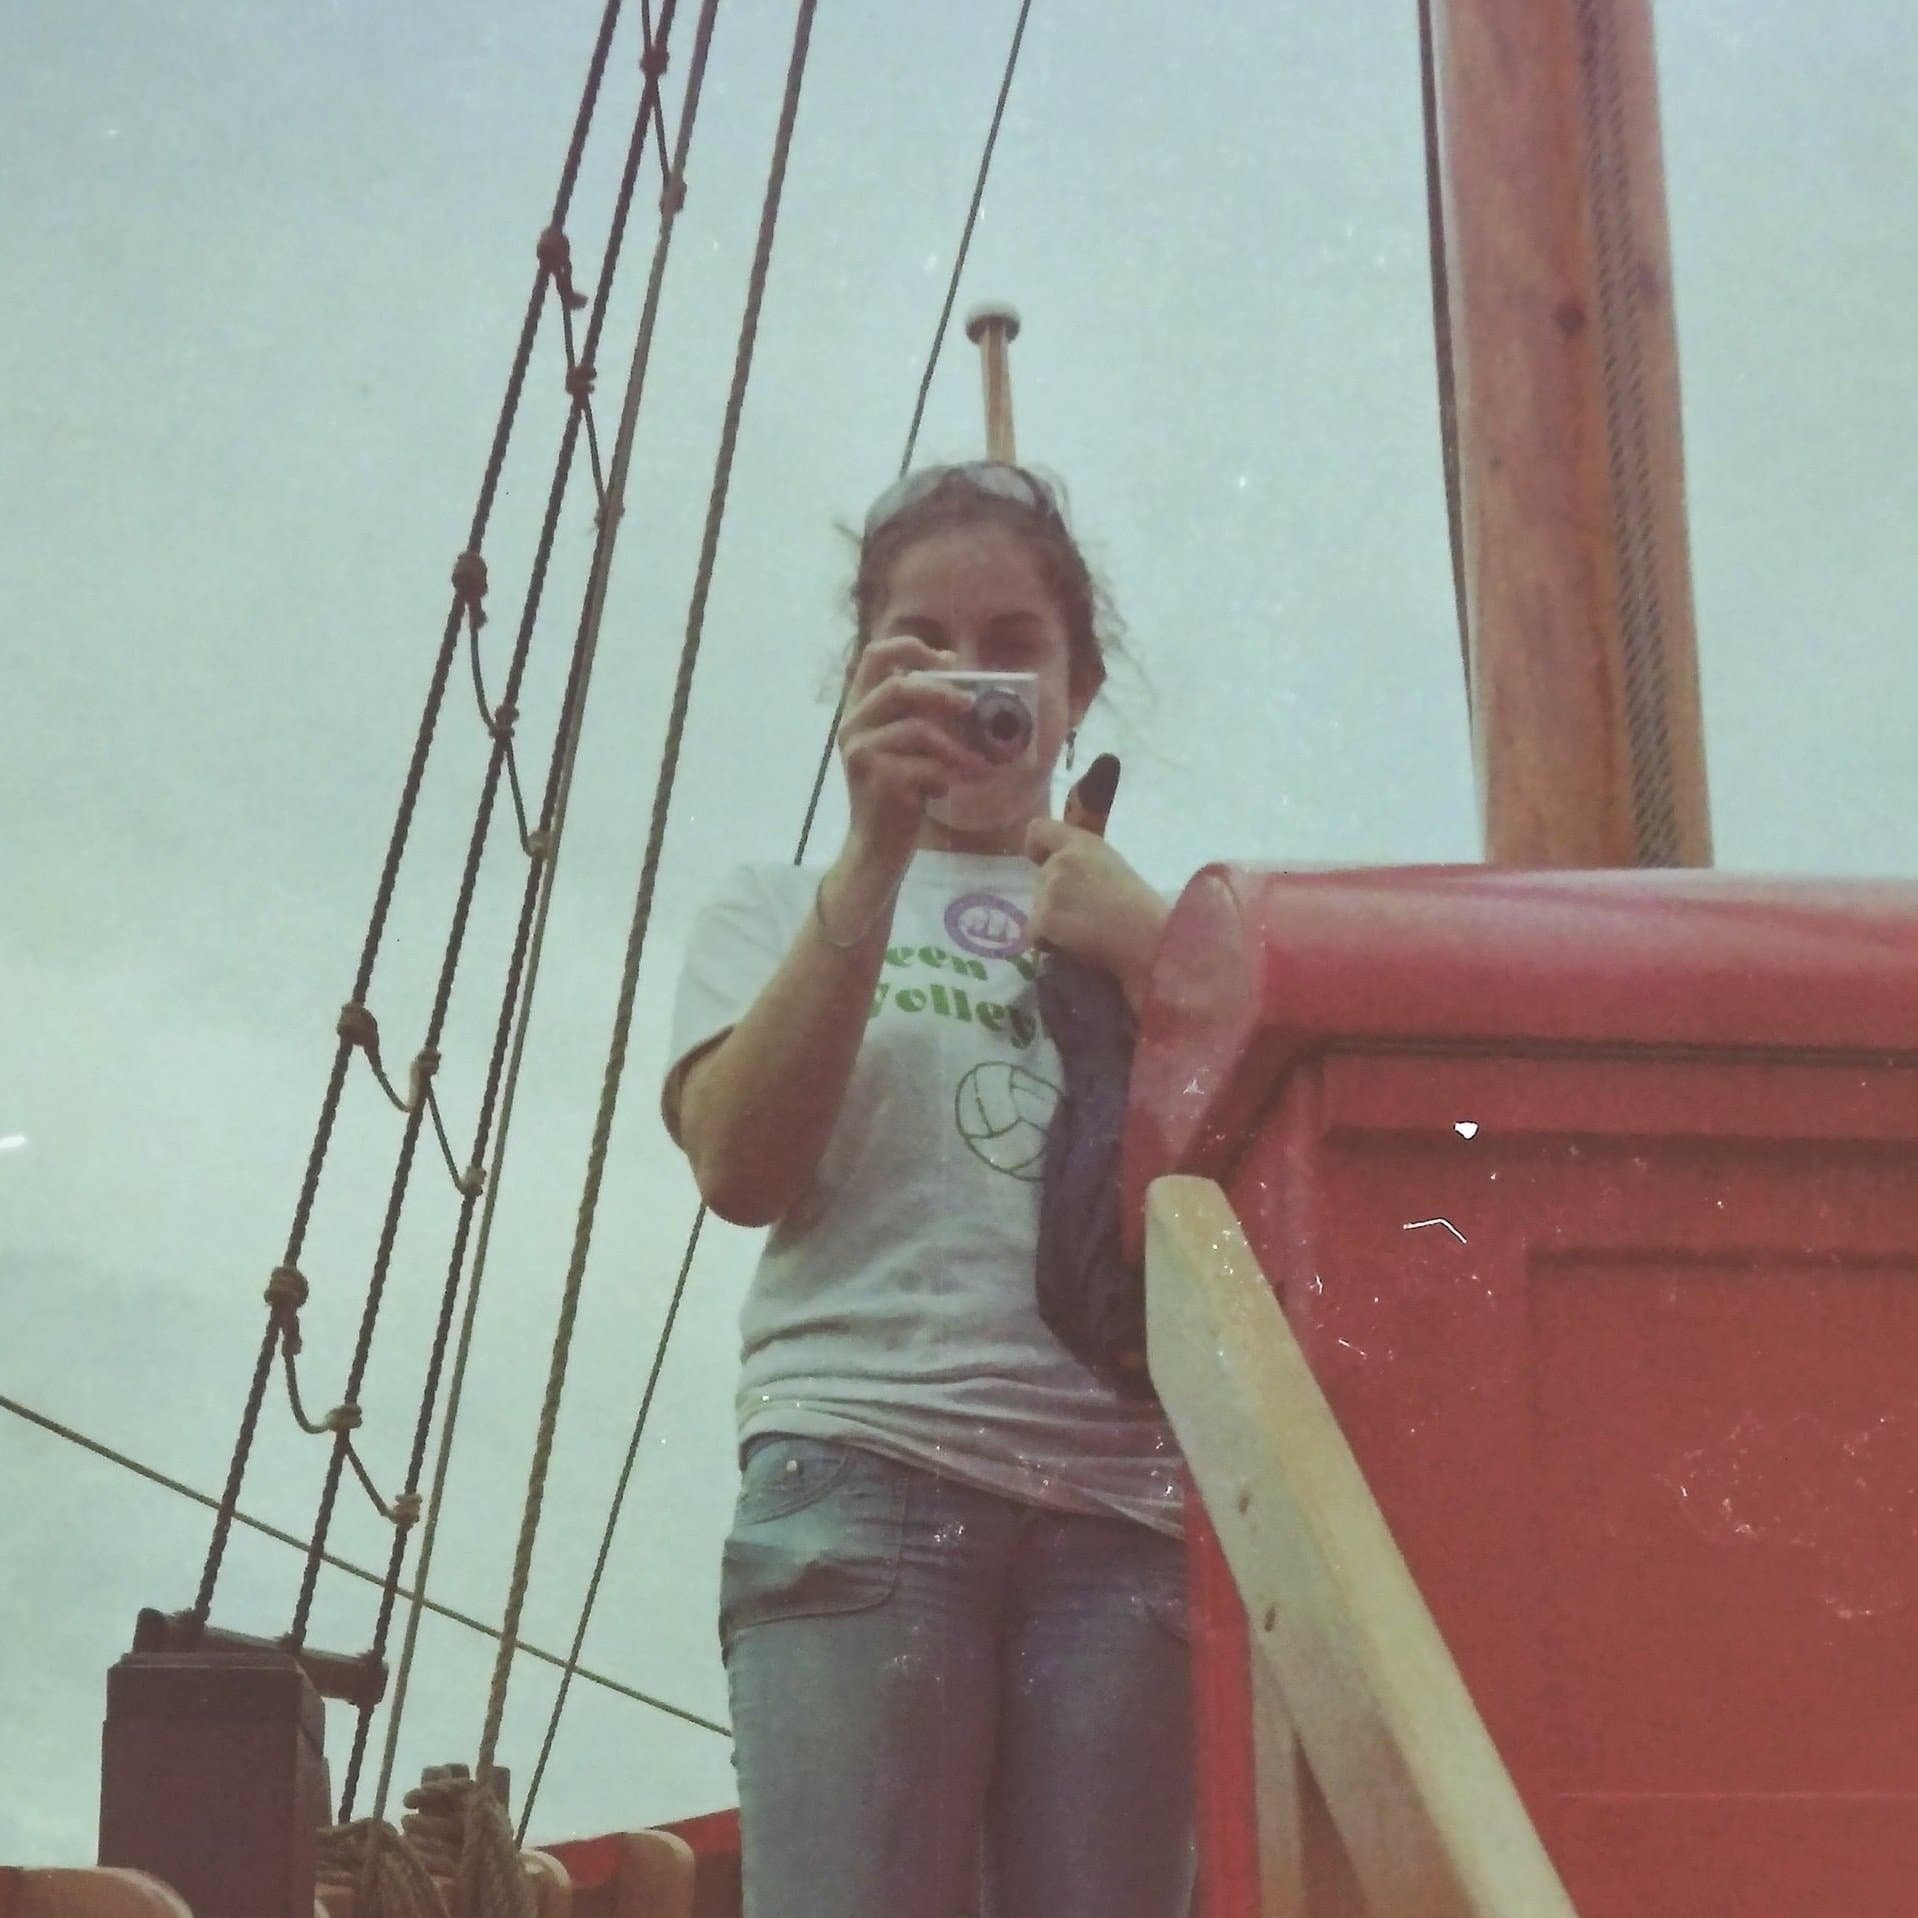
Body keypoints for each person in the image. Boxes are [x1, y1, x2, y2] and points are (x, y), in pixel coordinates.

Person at [661, 463, 1193, 1918]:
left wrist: (1156, 958)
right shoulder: (769, 907)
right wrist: (874, 855)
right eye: (925, 642)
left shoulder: (1166, 930)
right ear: (865, 678)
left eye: (1011, 643)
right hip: (863, 1470)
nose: (974, 680)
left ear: (1076, 686)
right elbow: (739, 1165)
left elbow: (1273, 1198)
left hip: (1124, 1518)